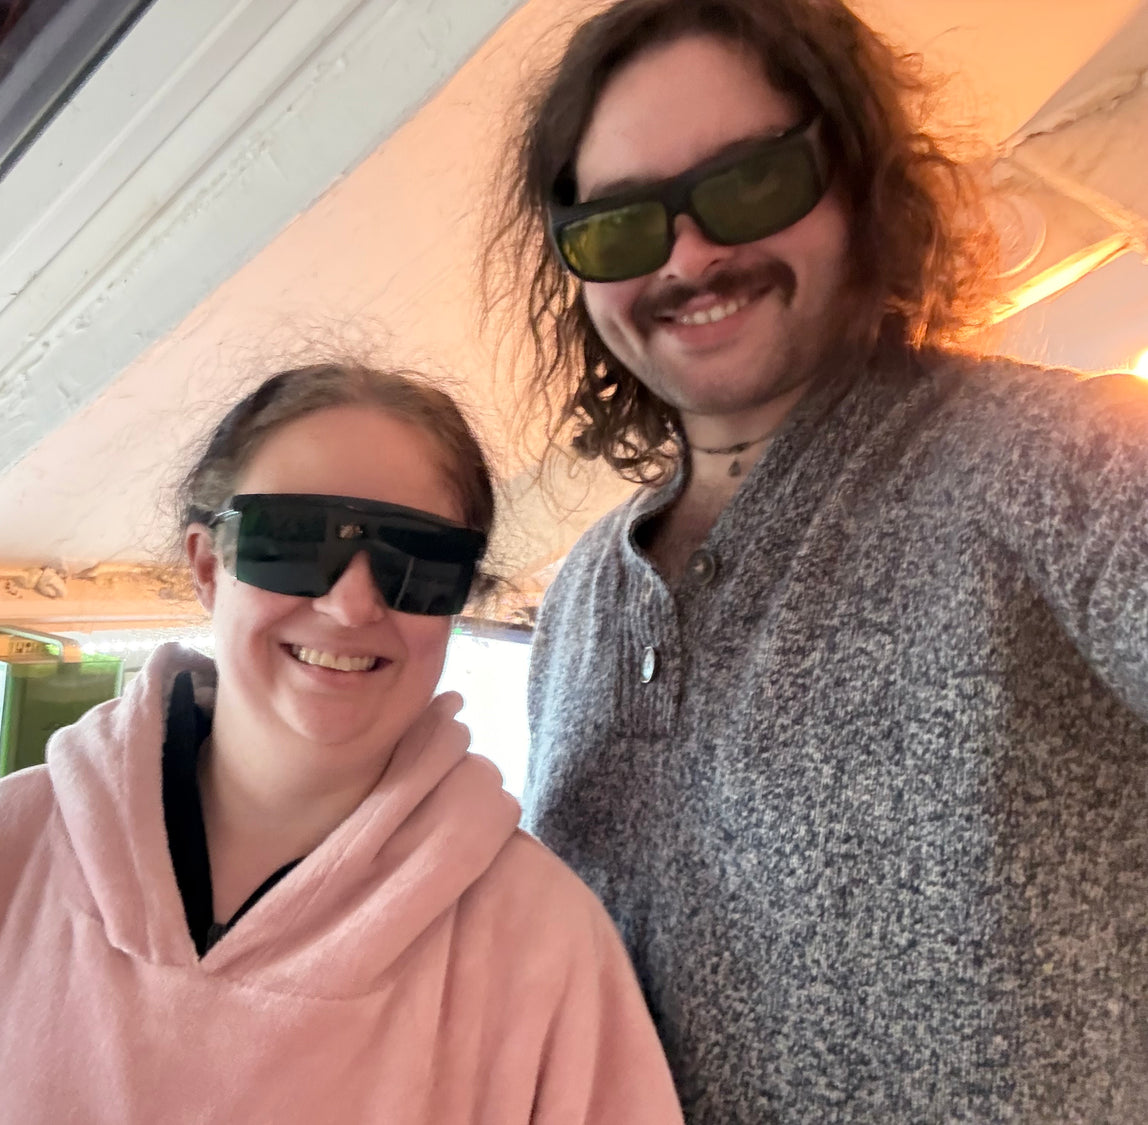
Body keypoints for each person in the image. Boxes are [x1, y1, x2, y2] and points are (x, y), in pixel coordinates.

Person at [487, 0, 1148, 1120]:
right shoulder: (583, 592)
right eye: (619, 228)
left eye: (749, 183)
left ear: (859, 182)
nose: (689, 257)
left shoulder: (1066, 461)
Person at [0, 362, 683, 1124]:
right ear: (207, 564)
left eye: (417, 560)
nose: (352, 603)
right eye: (294, 542)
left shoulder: (541, 946)